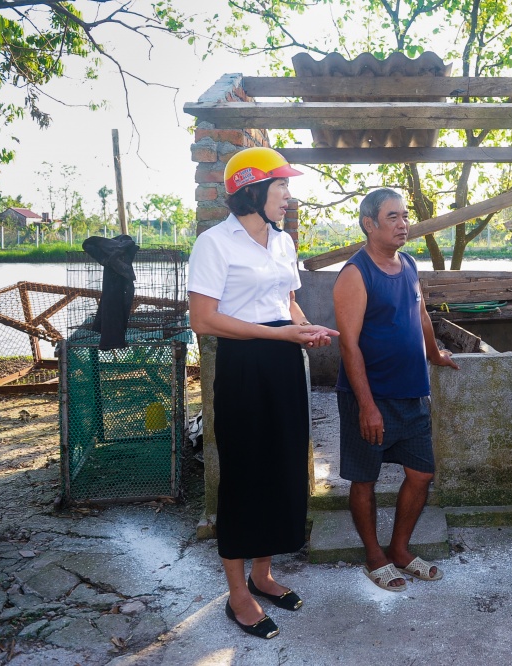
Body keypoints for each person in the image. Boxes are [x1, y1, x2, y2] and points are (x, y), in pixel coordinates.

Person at [188, 146, 339, 639]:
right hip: (244, 365)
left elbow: (287, 301)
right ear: (252, 189)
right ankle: (237, 593)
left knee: (282, 465)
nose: (288, 197)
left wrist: (305, 329)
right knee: (244, 472)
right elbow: (204, 320)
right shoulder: (215, 243)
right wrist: (280, 334)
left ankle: (264, 574)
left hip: (282, 363)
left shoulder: (283, 241)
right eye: (281, 187)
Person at [333, 188, 459, 592]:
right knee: (364, 479)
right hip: (370, 396)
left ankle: (400, 549)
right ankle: (374, 556)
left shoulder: (407, 263)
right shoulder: (355, 273)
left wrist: (434, 352)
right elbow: (348, 344)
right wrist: (367, 406)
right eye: (393, 217)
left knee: (421, 474)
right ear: (370, 224)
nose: (403, 224)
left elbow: (418, 310)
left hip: (411, 391)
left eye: (404, 216)